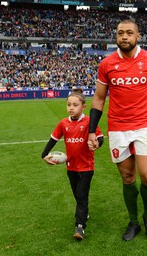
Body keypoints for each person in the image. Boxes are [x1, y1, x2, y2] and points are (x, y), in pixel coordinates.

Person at [87, 19, 147, 241]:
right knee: (127, 177)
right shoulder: (107, 64)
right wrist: (92, 130)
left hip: (144, 125)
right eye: (120, 33)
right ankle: (133, 221)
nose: (124, 37)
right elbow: (99, 98)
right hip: (118, 128)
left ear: (138, 36)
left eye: (129, 33)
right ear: (116, 36)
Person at [41, 88, 104, 240]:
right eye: (69, 104)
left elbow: (100, 137)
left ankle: (80, 227)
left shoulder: (89, 121)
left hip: (87, 166)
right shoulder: (63, 123)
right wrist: (44, 155)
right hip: (71, 166)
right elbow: (53, 139)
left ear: (83, 106)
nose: (71, 108)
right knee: (77, 194)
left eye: (75, 105)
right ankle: (84, 212)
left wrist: (97, 143)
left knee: (82, 194)